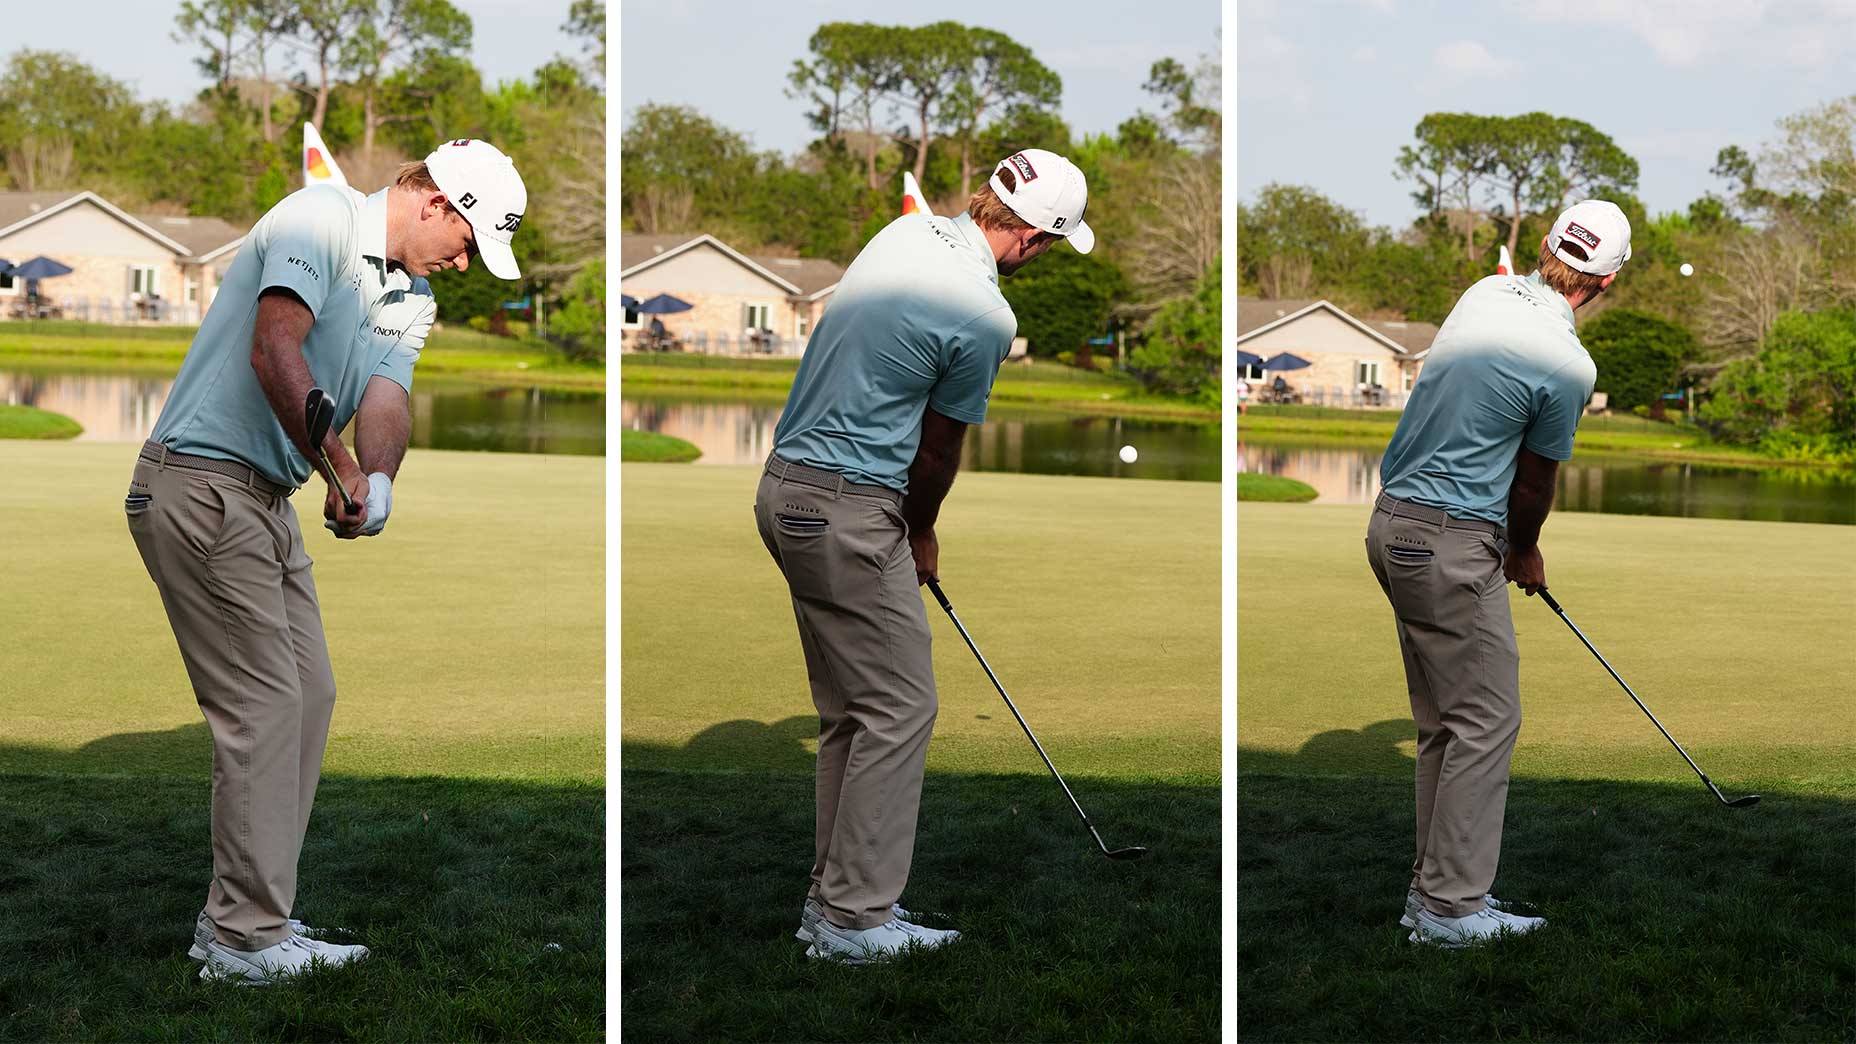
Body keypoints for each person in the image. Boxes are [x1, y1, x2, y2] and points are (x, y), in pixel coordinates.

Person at [126, 138, 527, 984]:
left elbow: (387, 396)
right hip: (200, 483)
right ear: (432, 200)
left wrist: (375, 480)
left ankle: (247, 917)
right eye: (466, 240)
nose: (463, 262)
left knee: (310, 694)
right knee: (265, 706)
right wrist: (337, 468)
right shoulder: (321, 219)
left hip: (264, 500)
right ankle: (244, 941)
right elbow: (276, 348)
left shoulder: (409, 295)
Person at [755, 148, 1095, 964]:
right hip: (851, 508)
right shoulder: (986, 314)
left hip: (784, 493)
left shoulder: (899, 238)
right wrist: (920, 529)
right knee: (901, 709)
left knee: (854, 714)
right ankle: (853, 924)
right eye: (1050, 245)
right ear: (1036, 238)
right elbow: (937, 453)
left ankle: (839, 903)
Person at [1366, 199, 1628, 948]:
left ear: (1547, 245)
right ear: (1607, 280)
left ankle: (1433, 896)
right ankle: (1450, 912)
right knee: (1487, 720)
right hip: (1450, 541)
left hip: (1391, 526)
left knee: (1446, 726)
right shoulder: (1569, 364)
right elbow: (1533, 486)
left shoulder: (1483, 292)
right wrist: (1525, 548)